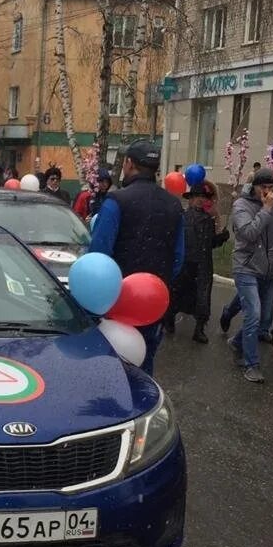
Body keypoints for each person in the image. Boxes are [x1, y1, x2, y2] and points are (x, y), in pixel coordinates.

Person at [88, 140, 184, 375]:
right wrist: (157, 282)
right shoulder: (174, 205)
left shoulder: (117, 201)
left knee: (113, 363)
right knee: (144, 363)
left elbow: (98, 255)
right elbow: (179, 257)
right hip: (154, 300)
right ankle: (145, 407)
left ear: (129, 164)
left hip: (117, 300)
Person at [221, 168, 273, 383]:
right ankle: (252, 365)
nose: (267, 192)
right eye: (263, 187)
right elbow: (248, 233)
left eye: (271, 187)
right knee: (254, 314)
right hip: (246, 267)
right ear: (255, 187)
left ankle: (237, 341)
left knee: (264, 321)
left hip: (270, 269)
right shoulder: (242, 205)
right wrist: (266, 210)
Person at [166, 180, 228, 344]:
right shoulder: (181, 217)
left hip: (202, 264)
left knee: (202, 296)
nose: (200, 200)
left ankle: (199, 328)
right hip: (184, 262)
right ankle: (169, 320)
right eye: (197, 196)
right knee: (177, 292)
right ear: (190, 198)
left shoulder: (208, 220)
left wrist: (221, 237)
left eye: (203, 197)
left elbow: (210, 242)